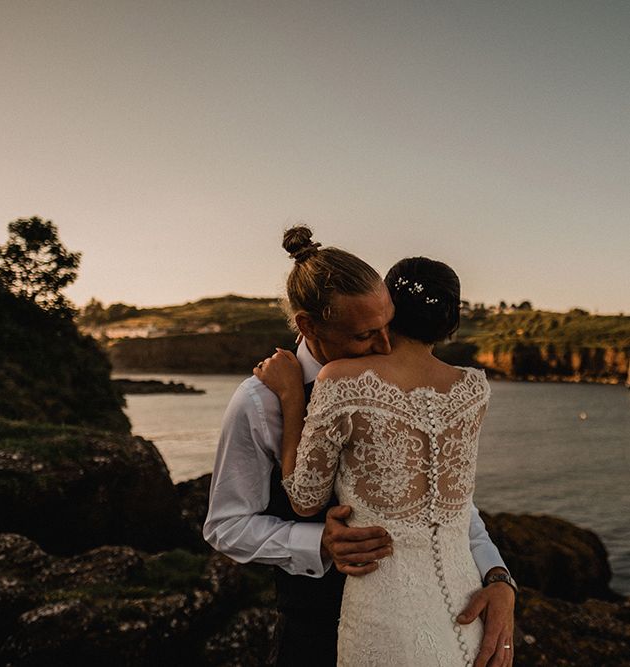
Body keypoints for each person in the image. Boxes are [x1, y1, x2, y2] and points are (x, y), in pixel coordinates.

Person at [203, 226, 515, 666]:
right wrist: (317, 544)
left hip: (432, 625)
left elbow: (449, 501)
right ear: (309, 325)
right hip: (312, 631)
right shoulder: (258, 402)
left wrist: (499, 577)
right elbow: (226, 526)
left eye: (389, 325)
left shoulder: (408, 381)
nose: (385, 345)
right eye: (365, 335)